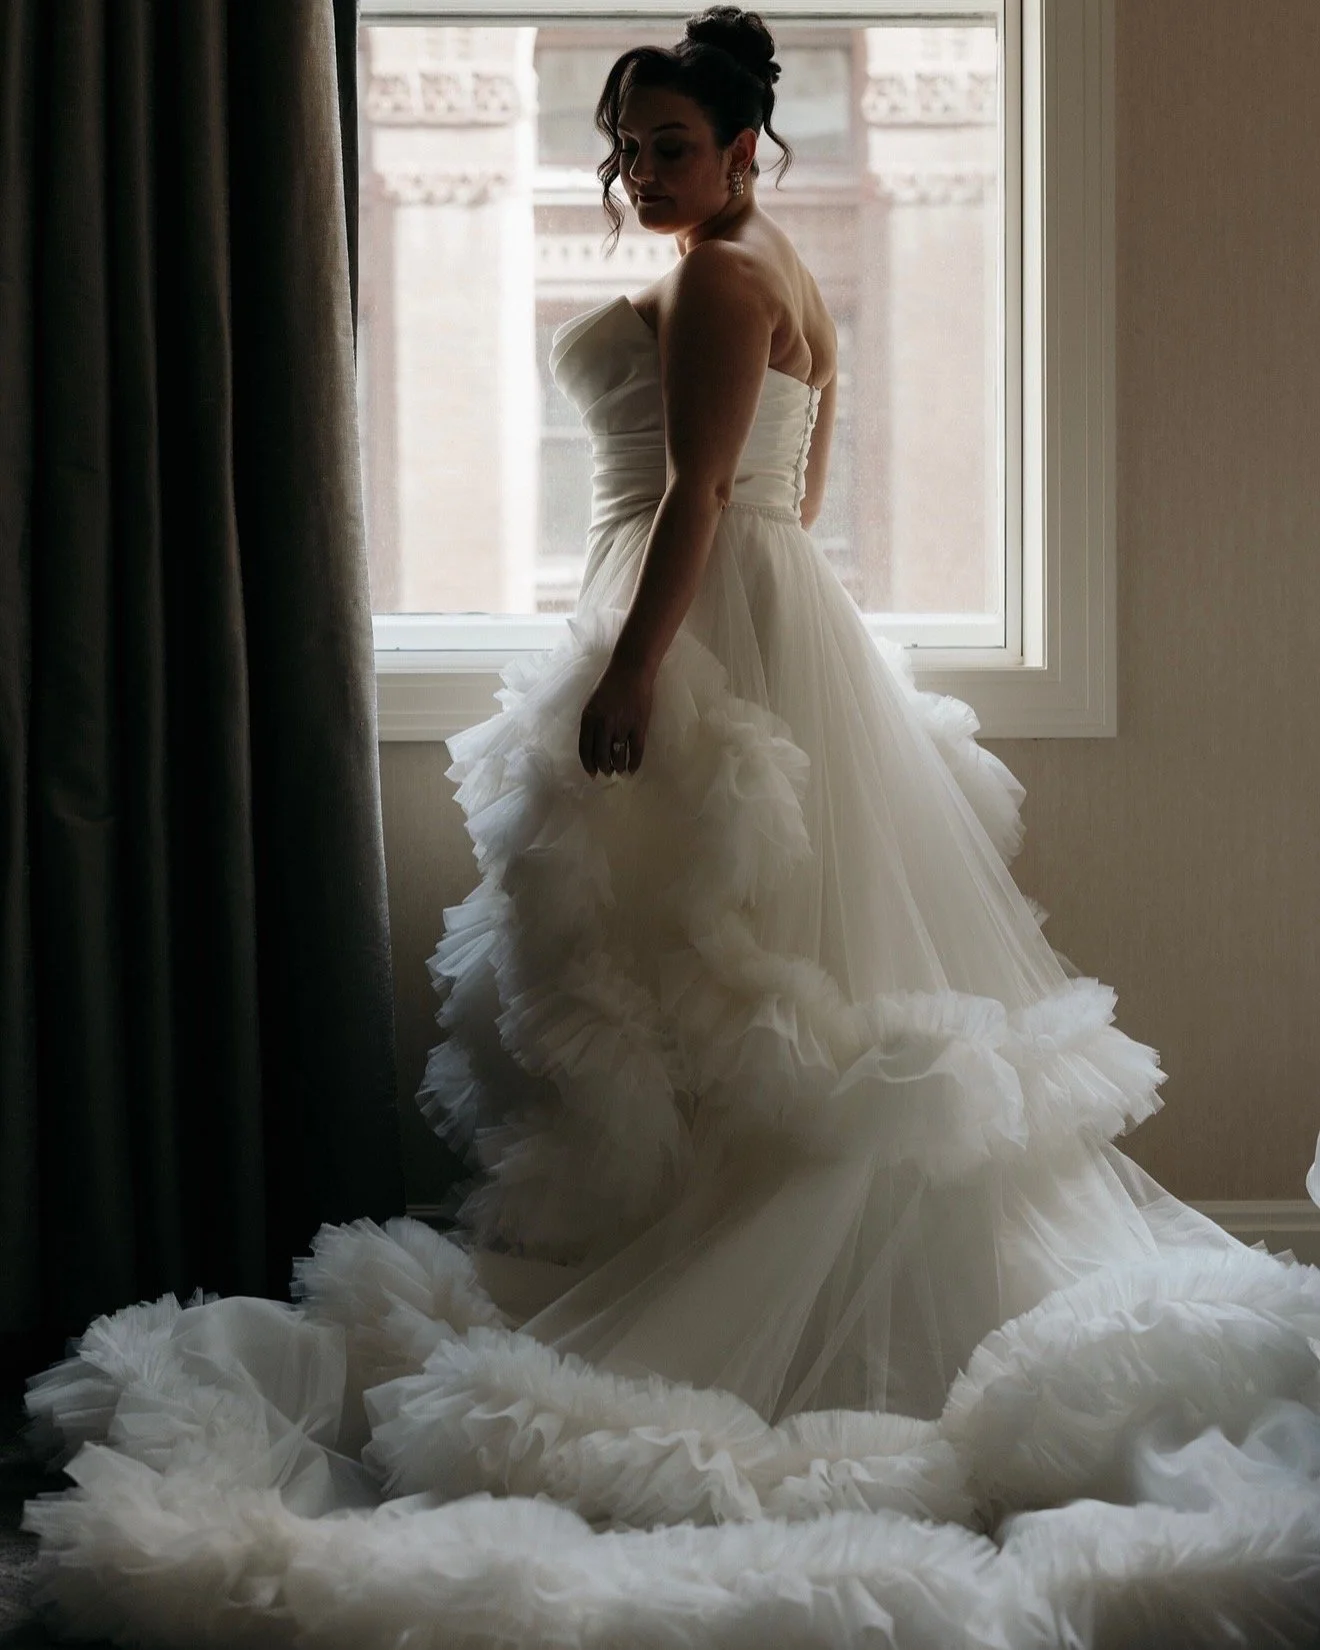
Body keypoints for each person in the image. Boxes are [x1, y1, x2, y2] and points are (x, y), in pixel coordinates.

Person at [21, 9, 1320, 1646]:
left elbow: (705, 493)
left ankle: (739, 1321)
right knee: (731, 991)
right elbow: (793, 480)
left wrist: (638, 672)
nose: (641, 173)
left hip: (694, 626)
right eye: (625, 146)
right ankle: (722, 1271)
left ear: (742, 149)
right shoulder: (778, 267)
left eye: (670, 148)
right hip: (751, 616)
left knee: (716, 983)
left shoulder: (720, 276)